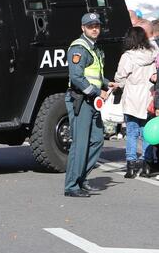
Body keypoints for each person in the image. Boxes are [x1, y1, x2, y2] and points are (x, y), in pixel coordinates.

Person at [64, 12, 118, 197]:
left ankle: (81, 178)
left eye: (97, 25)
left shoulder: (93, 47)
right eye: (90, 26)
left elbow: (93, 74)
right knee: (80, 144)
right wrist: (97, 92)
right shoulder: (79, 48)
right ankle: (72, 186)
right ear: (83, 28)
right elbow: (76, 77)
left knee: (97, 140)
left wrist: (105, 83)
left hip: (92, 101)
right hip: (81, 100)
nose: (95, 28)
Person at [114, 26, 158, 178]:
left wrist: (118, 84)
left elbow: (120, 77)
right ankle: (147, 165)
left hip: (132, 98)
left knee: (131, 133)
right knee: (147, 133)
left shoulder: (128, 56)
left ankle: (131, 167)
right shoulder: (153, 53)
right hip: (148, 97)